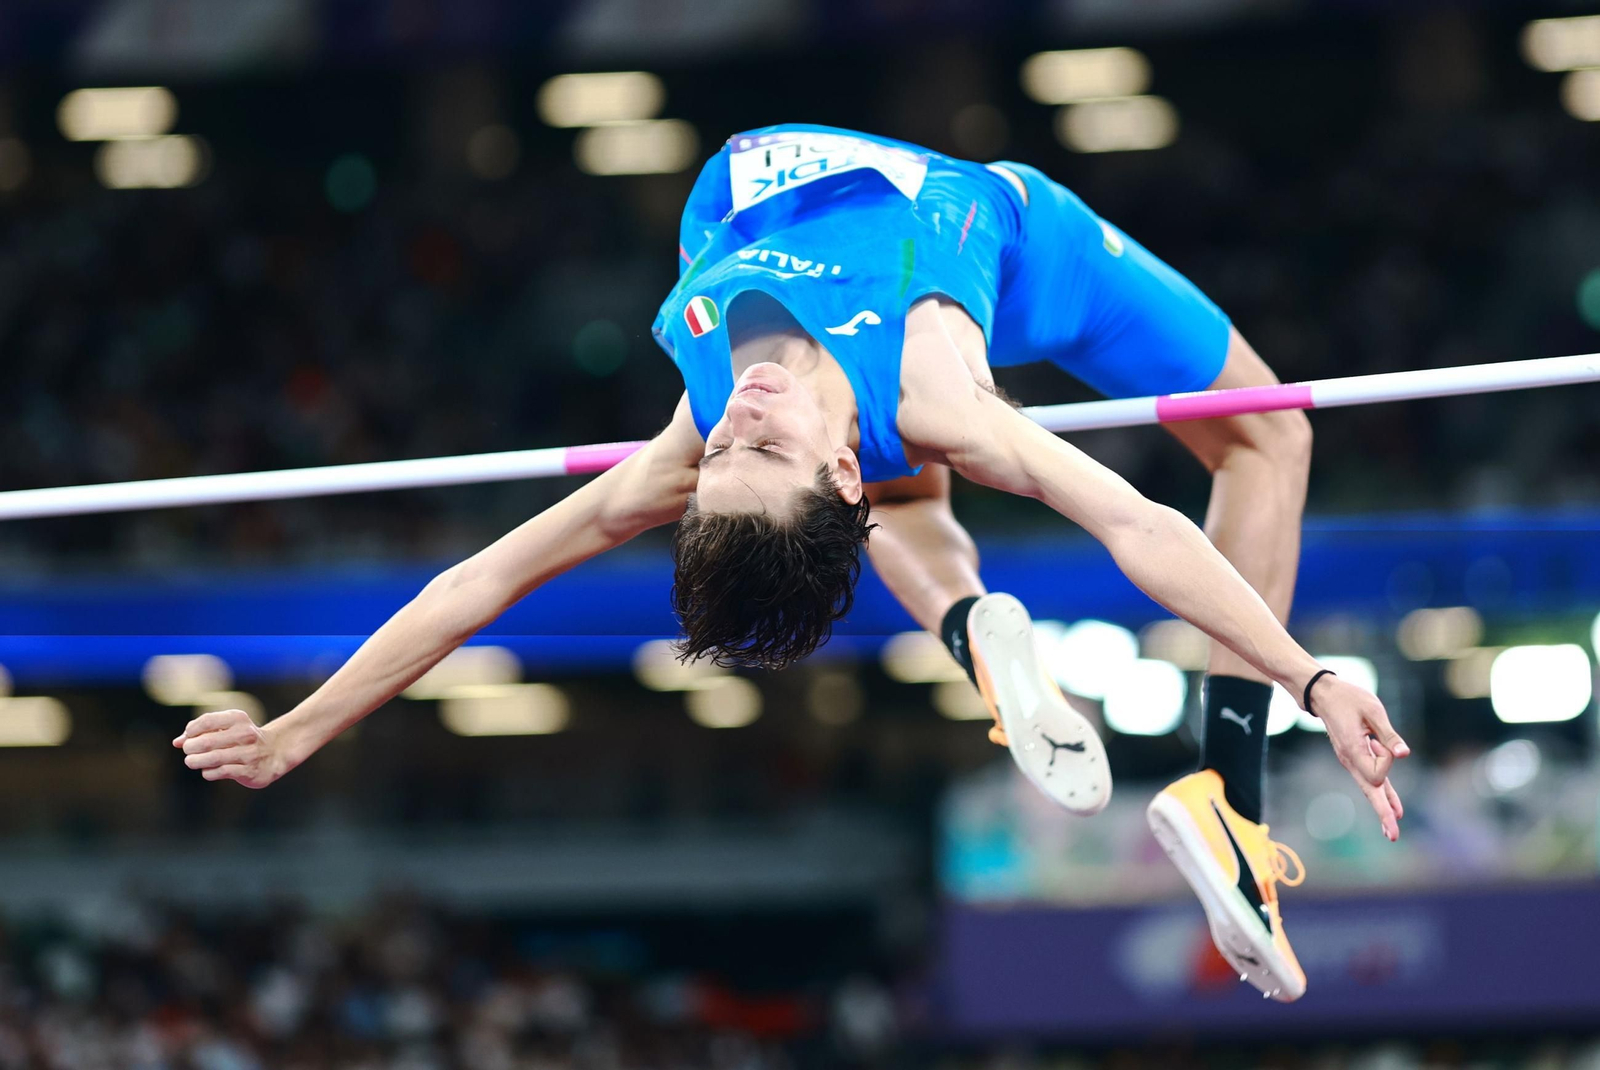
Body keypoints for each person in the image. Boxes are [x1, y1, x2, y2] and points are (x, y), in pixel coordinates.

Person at [173, 124, 1409, 1002]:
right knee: (1266, 432)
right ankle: (1228, 801)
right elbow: (1138, 521)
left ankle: (979, 627)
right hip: (1033, 253)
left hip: (820, 289)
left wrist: (299, 729)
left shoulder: (697, 427)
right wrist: (1310, 680)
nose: (739, 412)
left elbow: (479, 582)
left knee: (909, 490)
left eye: (723, 448)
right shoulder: (935, 392)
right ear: (828, 475)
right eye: (756, 439)